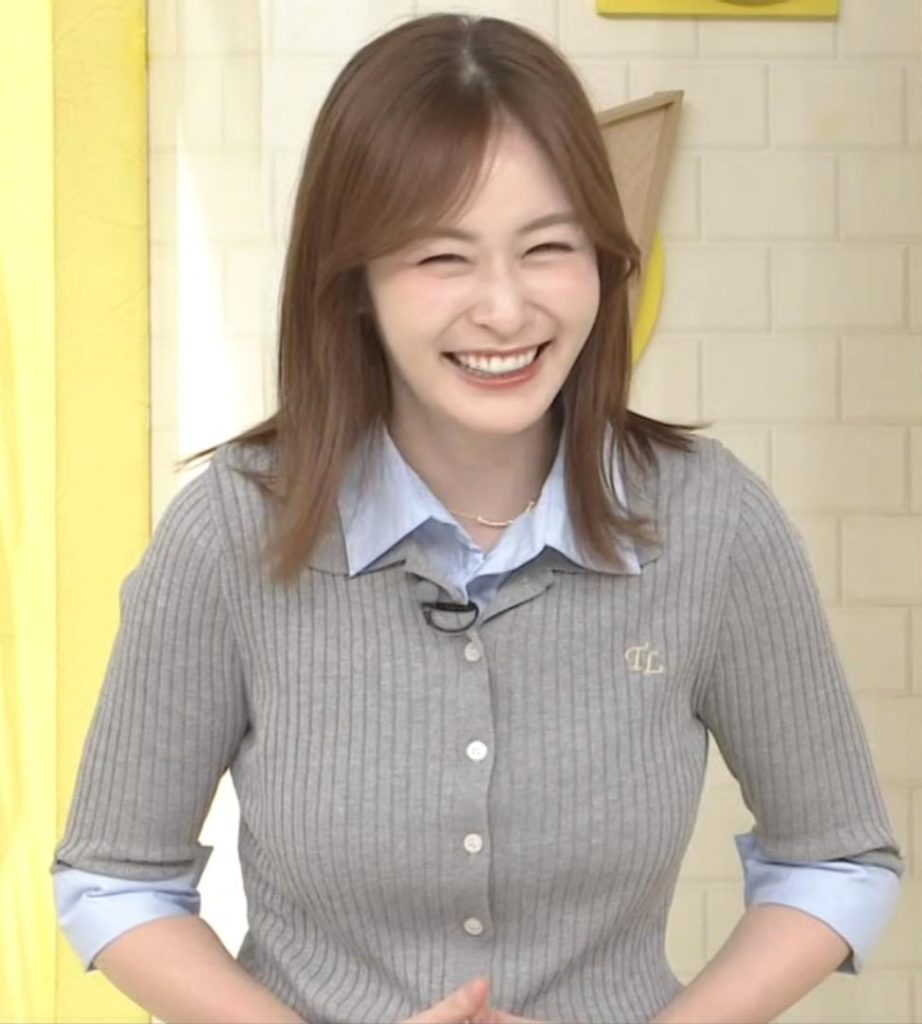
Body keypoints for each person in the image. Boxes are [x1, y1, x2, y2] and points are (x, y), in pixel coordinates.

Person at [50, 12, 903, 1024]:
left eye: (547, 247)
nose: (504, 309)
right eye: (440, 257)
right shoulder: (231, 530)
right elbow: (114, 880)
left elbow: (836, 861)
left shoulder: (712, 520)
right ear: (353, 285)